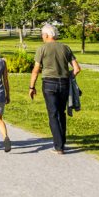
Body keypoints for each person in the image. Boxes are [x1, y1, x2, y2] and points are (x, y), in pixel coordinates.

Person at [28, 24, 81, 154]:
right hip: (64, 83)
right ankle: (61, 143)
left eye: (42, 35)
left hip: (49, 83)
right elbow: (77, 69)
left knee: (53, 114)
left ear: (46, 35)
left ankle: (58, 146)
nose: (42, 37)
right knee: (61, 113)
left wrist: (31, 86)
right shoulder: (65, 48)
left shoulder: (42, 49)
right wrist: (69, 76)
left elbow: (36, 70)